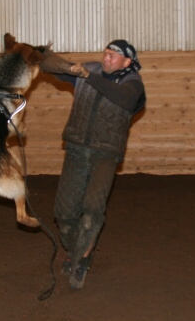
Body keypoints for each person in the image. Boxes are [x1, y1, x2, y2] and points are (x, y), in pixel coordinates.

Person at [39, 40, 146, 290]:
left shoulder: (133, 84)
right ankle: (78, 249)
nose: (106, 59)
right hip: (76, 150)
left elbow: (125, 100)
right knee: (64, 214)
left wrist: (88, 76)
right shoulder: (89, 69)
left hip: (105, 154)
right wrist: (45, 55)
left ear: (127, 62)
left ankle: (81, 259)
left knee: (92, 208)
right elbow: (53, 67)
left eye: (113, 56)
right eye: (106, 54)